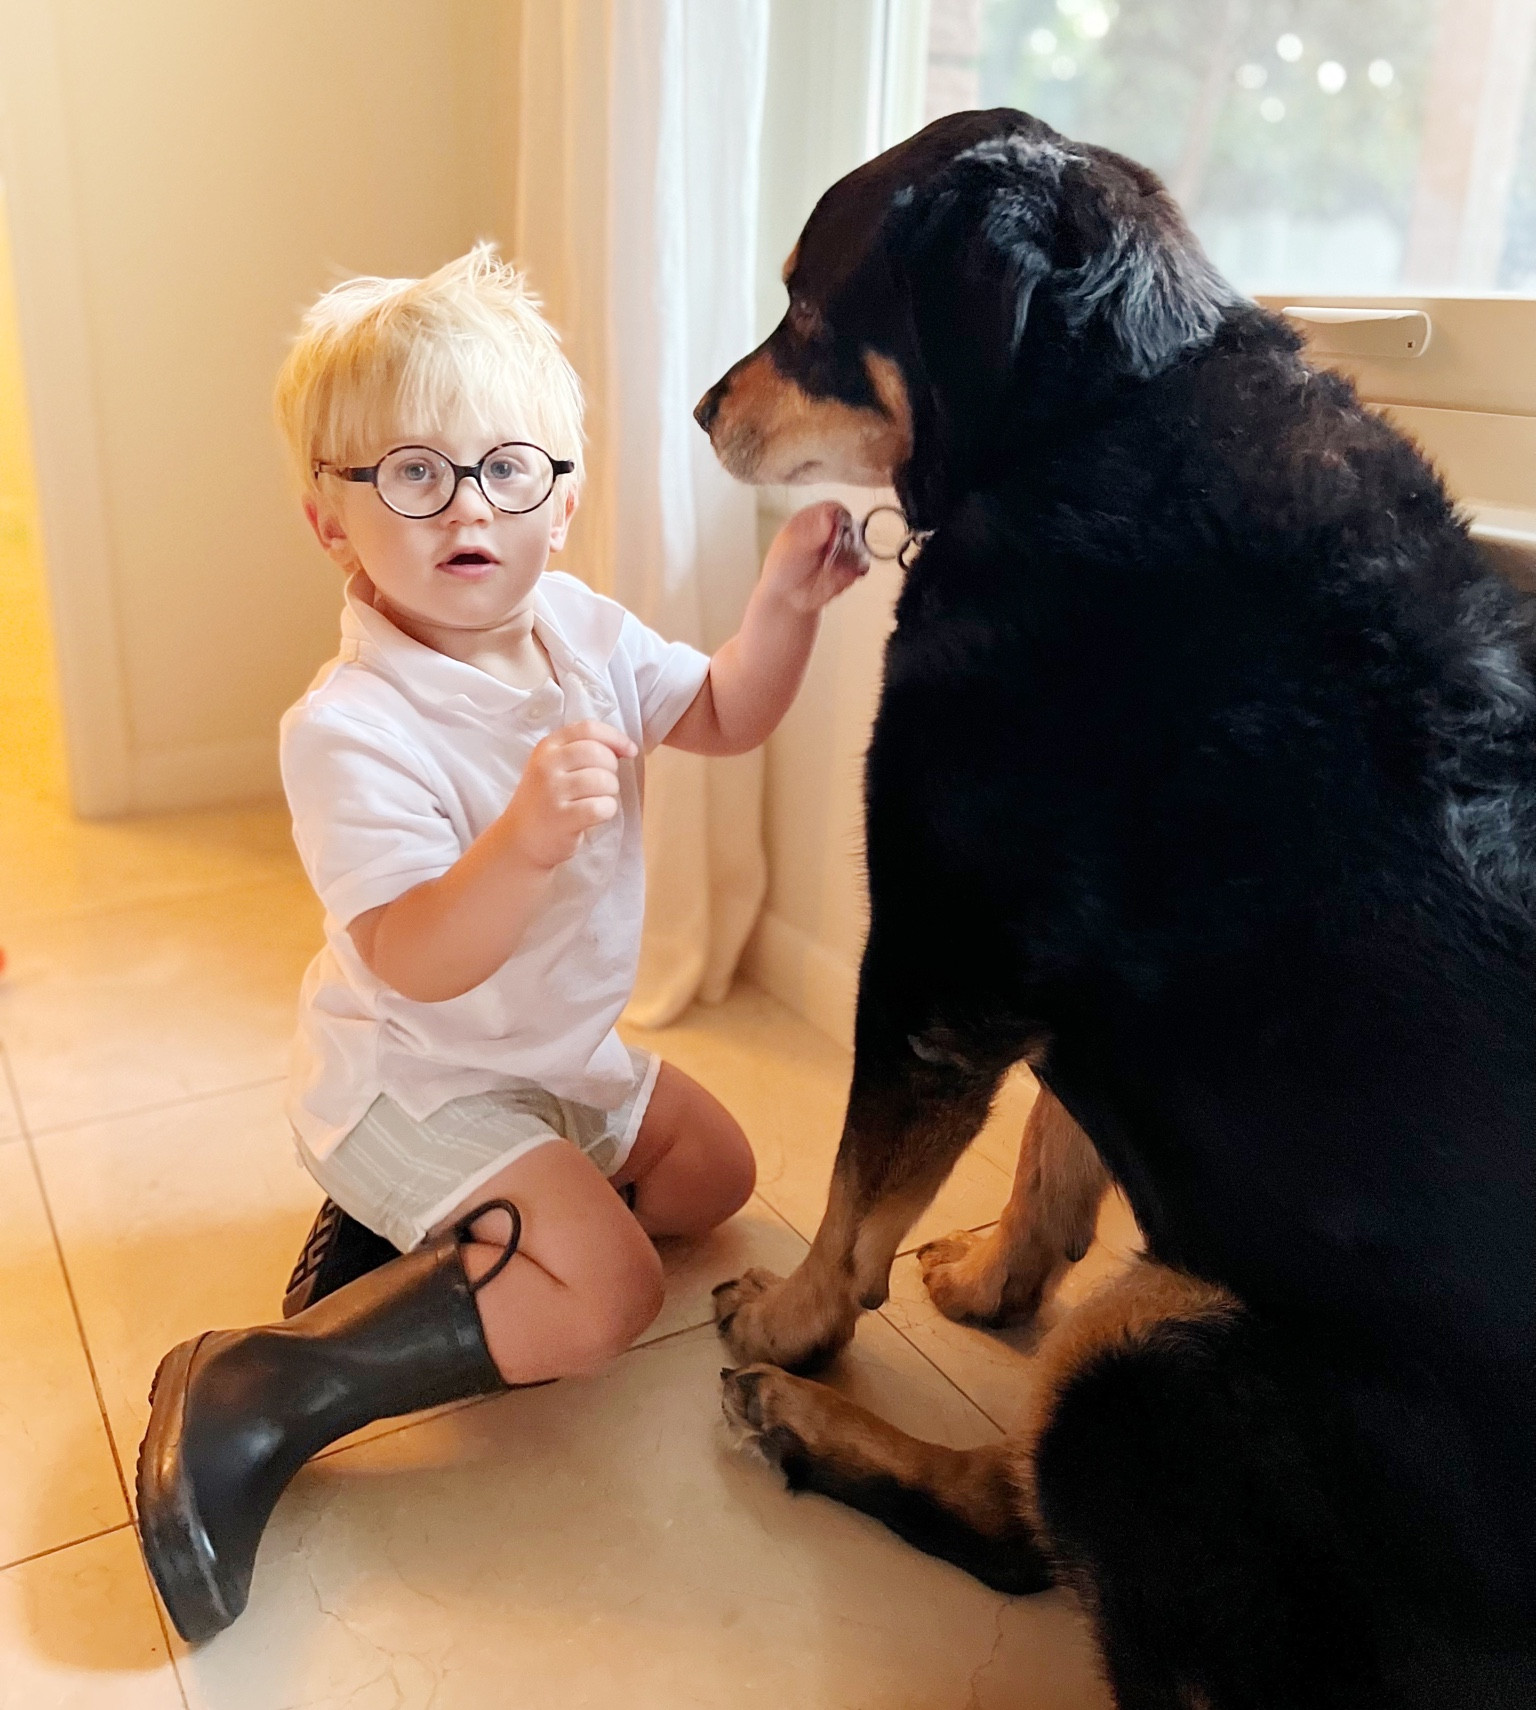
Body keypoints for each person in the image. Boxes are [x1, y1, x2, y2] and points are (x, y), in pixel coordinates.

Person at [135, 245, 868, 1643]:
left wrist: (782, 609)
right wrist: (522, 843)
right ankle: (269, 1382)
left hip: (552, 1060)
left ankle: (440, 1247)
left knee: (718, 1172)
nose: (468, 505)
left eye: (507, 469)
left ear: (562, 500)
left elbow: (722, 713)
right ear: (331, 523)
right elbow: (412, 954)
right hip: (418, 1077)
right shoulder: (350, 728)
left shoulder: (580, 631)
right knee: (607, 1295)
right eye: (413, 474)